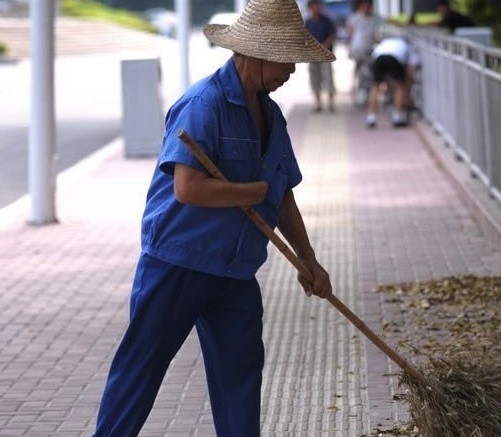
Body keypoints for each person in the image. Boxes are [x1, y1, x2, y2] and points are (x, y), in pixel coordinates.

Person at [91, 0, 335, 436]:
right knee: (141, 369)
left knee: (240, 374)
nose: (294, 70)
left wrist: (309, 261)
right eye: (287, 59)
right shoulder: (202, 104)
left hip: (234, 270)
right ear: (257, 55)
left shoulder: (272, 116)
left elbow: (283, 198)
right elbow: (188, 188)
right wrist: (251, 192)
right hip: (178, 262)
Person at [366, 36, 420, 128]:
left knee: (376, 86)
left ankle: (371, 117)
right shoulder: (408, 47)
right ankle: (397, 117)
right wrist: (408, 87)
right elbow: (412, 69)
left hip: (378, 57)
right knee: (400, 86)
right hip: (395, 58)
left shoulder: (385, 42)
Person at [346, 0, 382, 105]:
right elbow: (350, 34)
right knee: (357, 72)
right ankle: (357, 93)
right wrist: (348, 48)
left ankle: (366, 94)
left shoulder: (376, 19)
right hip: (357, 49)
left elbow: (377, 35)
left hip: (370, 50)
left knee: (368, 72)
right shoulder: (354, 18)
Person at [304, 0, 337, 112]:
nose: (315, 7)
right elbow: (305, 37)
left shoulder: (326, 20)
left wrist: (324, 46)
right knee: (315, 79)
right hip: (313, 55)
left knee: (328, 78)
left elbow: (332, 34)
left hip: (325, 54)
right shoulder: (308, 22)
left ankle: (331, 103)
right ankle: (318, 104)